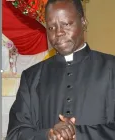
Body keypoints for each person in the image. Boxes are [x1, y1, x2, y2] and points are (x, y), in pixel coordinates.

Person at [6, 0, 115, 139]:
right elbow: (15, 134)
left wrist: (78, 134)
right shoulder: (31, 76)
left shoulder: (111, 68)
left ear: (83, 22)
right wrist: (48, 135)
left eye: (66, 24)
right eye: (51, 27)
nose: (58, 33)